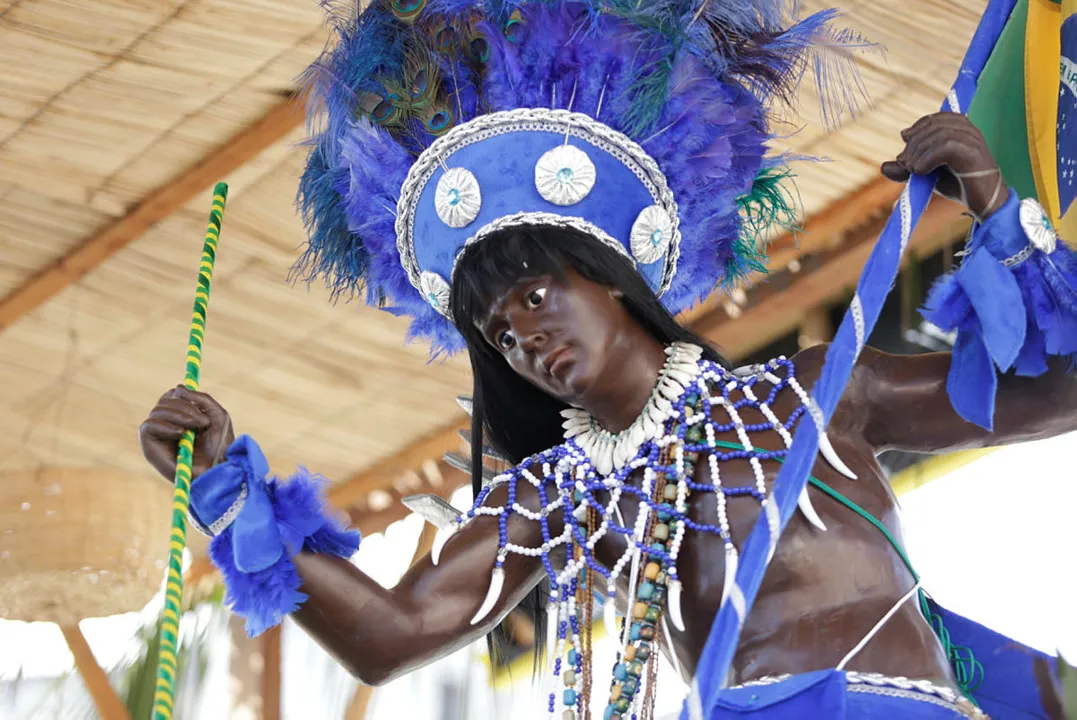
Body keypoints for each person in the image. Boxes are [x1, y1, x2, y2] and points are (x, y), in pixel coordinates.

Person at [139, 0, 1077, 717]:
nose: (524, 340)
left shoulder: (813, 391)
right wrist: (227, 488)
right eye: (499, 335)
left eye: (536, 297)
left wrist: (999, 216)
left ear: (610, 280)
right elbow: (395, 635)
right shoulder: (554, 495)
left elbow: (1061, 394)